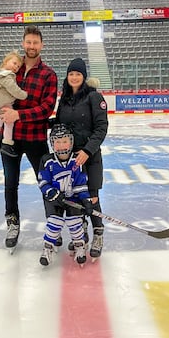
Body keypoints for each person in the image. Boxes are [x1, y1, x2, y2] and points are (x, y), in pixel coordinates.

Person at [0, 25, 58, 250]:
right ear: (23, 43)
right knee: (10, 184)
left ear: (41, 46)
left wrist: (18, 115)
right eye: (28, 42)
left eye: (36, 43)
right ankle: (12, 224)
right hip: (9, 138)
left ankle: (53, 224)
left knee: (46, 183)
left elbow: (46, 109)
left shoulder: (49, 75)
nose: (31, 46)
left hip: (35, 138)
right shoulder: (11, 70)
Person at [54, 57, 108, 259]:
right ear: (67, 77)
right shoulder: (65, 99)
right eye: (71, 74)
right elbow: (59, 123)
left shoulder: (94, 97)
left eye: (78, 74)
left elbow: (101, 128)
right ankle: (82, 232)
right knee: (76, 197)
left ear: (84, 77)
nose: (74, 77)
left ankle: (98, 234)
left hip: (90, 157)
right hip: (70, 160)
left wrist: (87, 151)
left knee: (92, 198)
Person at [38, 124, 93, 266]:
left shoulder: (77, 160)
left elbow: (81, 183)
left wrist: (86, 200)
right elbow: (43, 181)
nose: (61, 145)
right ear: (52, 143)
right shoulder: (47, 160)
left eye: (64, 141)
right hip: (54, 199)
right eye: (57, 141)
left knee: (75, 223)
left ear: (71, 141)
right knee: (54, 223)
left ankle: (80, 246)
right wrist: (52, 192)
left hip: (72, 199)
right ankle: (47, 248)